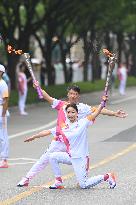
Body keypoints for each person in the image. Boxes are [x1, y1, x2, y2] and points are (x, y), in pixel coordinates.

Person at [17, 85, 127, 187]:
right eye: (71, 93)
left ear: (78, 96)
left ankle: (87, 175)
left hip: (75, 143)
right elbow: (47, 97)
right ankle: (28, 178)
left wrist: (114, 113)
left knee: (82, 181)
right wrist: (38, 87)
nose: (73, 96)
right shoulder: (62, 105)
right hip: (60, 140)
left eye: (75, 94)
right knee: (45, 158)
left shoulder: (83, 108)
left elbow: (98, 111)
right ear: (68, 95)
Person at [48, 103, 116, 189]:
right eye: (68, 112)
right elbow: (49, 131)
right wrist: (33, 136)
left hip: (81, 158)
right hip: (71, 156)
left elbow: (95, 113)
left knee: (83, 185)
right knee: (52, 156)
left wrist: (101, 105)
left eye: (73, 112)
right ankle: (58, 181)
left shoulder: (83, 122)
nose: (70, 114)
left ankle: (107, 176)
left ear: (77, 113)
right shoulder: (66, 126)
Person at [0, 64, 9, 168]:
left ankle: (4, 159)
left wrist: (3, 114)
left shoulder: (3, 84)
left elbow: (6, 99)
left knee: (3, 135)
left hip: (1, 109)